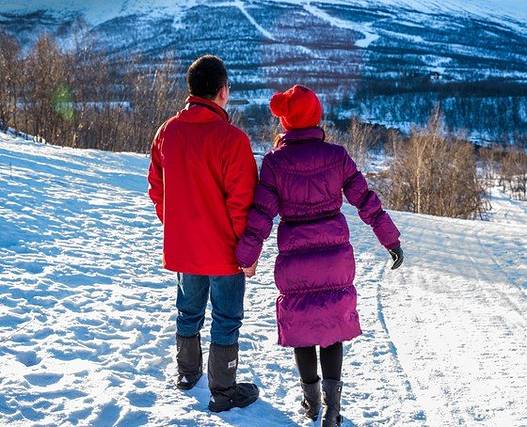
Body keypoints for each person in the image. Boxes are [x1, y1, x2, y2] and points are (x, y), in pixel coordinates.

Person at [236, 85, 403, 426]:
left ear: (286, 122)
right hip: (334, 257)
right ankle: (333, 409)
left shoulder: (275, 162)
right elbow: (365, 200)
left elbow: (261, 215)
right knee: (331, 330)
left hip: (296, 259)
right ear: (316, 117)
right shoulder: (336, 156)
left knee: (303, 329)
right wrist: (390, 239)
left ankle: (311, 404)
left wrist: (246, 256)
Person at [147, 55, 259, 412]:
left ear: (191, 89)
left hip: (185, 248)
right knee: (226, 318)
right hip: (224, 251)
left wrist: (176, 226)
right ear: (223, 91)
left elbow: (157, 189)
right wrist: (247, 253)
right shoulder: (233, 139)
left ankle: (187, 373)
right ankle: (223, 391)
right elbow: (242, 204)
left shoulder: (167, 132)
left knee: (187, 311)